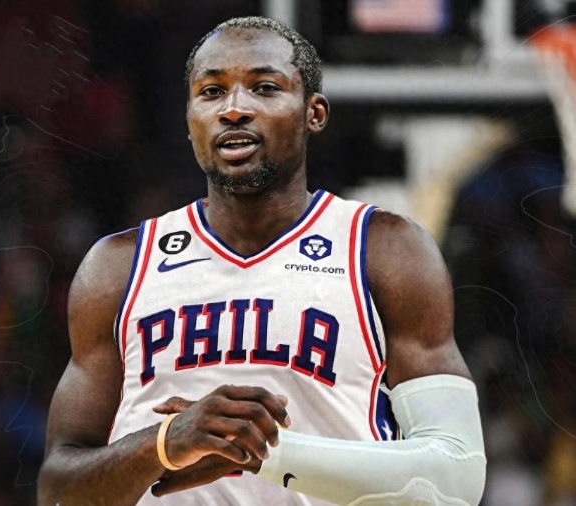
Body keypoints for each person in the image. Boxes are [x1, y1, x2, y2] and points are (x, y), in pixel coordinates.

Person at [37, 16, 486, 506]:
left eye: (265, 88)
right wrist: (164, 444)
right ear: (189, 119)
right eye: (211, 92)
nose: (234, 109)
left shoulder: (385, 248)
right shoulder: (117, 266)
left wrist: (264, 453)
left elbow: (455, 475)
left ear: (314, 113)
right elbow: (59, 488)